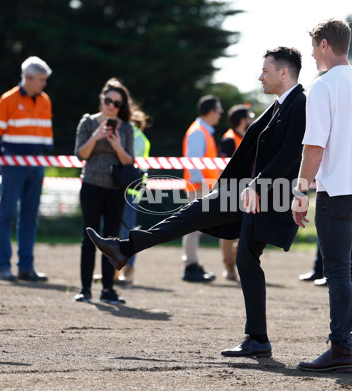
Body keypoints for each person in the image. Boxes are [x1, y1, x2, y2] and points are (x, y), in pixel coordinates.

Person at [85, 46, 306, 358]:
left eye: (266, 71)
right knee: (228, 246)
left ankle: (125, 249)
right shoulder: (280, 105)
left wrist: (257, 185)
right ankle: (258, 339)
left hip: (262, 197)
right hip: (246, 193)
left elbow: (289, 155)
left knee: (205, 227)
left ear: (284, 72)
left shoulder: (300, 105)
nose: (261, 77)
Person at [292, 19, 352, 373]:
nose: (312, 54)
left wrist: (300, 190)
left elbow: (314, 148)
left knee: (339, 274)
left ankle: (340, 349)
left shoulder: (322, 86)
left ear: (325, 44)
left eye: (314, 47)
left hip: (337, 191)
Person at [0, 56, 53, 282]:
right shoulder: (7, 99)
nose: (44, 84)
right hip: (13, 164)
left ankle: (26, 267)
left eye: (45, 80)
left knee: (30, 218)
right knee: (6, 216)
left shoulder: (45, 100)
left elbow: (46, 137)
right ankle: (3, 267)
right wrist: (0, 160)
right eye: (41, 80)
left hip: (37, 164)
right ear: (28, 77)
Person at [73, 78, 136, 304]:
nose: (111, 106)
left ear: (122, 106)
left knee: (111, 239)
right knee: (88, 238)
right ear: (101, 99)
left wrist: (117, 144)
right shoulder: (88, 123)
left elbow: (130, 161)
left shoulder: (126, 127)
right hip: (91, 185)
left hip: (115, 189)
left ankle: (108, 289)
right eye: (108, 100)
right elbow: (81, 154)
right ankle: (85, 288)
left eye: (116, 103)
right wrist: (96, 136)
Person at [180, 95, 223, 283]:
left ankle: (193, 264)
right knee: (193, 228)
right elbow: (193, 162)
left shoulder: (202, 131)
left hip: (201, 186)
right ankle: (190, 266)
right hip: (199, 187)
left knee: (195, 228)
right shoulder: (199, 132)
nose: (220, 114)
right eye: (219, 110)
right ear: (211, 112)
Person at [218, 104, 254, 281]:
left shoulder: (247, 137)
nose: (252, 120)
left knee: (244, 231)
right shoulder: (229, 139)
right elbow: (221, 167)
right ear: (242, 120)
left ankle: (240, 265)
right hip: (230, 190)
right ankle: (228, 266)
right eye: (249, 117)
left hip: (246, 191)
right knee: (227, 232)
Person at [115, 109, 151, 285]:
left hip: (127, 189)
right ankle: (120, 270)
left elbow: (126, 159)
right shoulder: (140, 137)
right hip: (130, 189)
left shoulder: (134, 137)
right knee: (125, 230)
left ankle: (127, 270)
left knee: (126, 231)